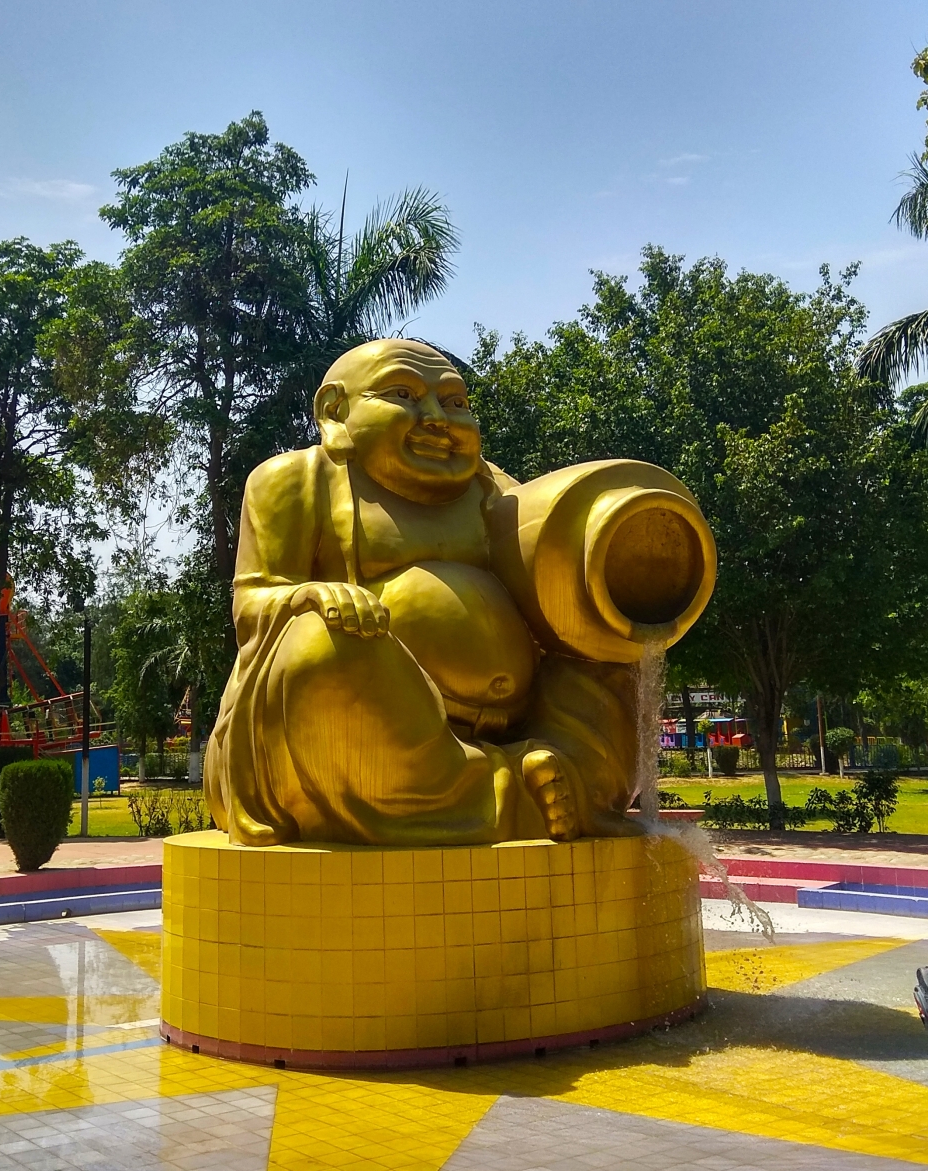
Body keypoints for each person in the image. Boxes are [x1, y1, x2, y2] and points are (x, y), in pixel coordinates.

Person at [205, 339, 639, 846]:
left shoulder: (495, 490)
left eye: (455, 403)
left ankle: (538, 778)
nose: (436, 417)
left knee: (602, 644)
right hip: (375, 716)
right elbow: (252, 604)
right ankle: (509, 791)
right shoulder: (297, 479)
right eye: (403, 395)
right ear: (335, 412)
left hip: (515, 717)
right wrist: (312, 596)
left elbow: (549, 591)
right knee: (318, 650)